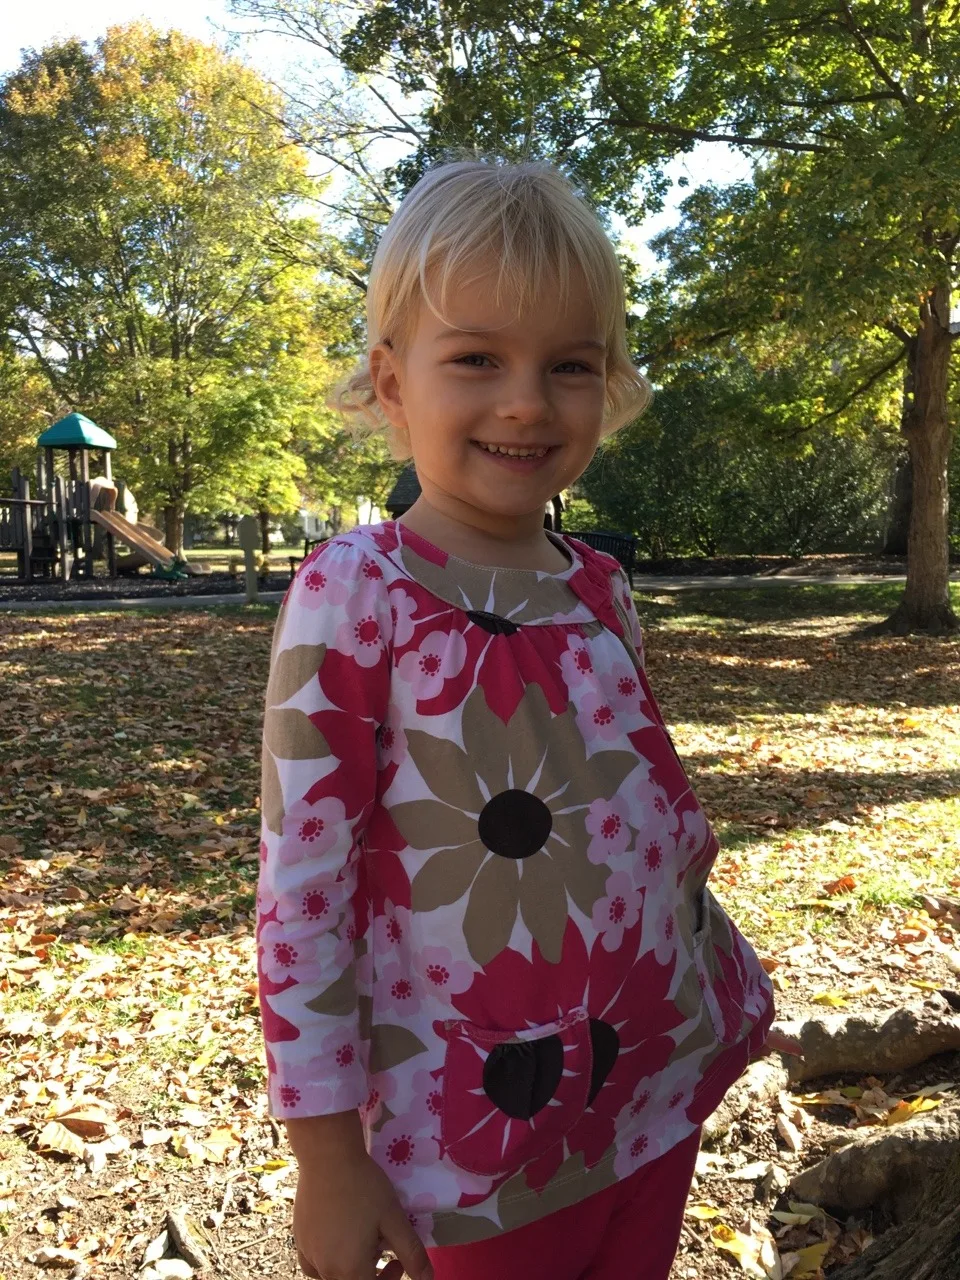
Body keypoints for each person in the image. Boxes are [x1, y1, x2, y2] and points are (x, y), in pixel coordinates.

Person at [256, 157, 795, 1280]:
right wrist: (326, 1155)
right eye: (476, 359)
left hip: (654, 1081)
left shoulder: (600, 584)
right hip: (482, 1136)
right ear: (392, 383)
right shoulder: (358, 593)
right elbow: (303, 890)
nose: (526, 402)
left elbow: (635, 808)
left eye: (569, 365)